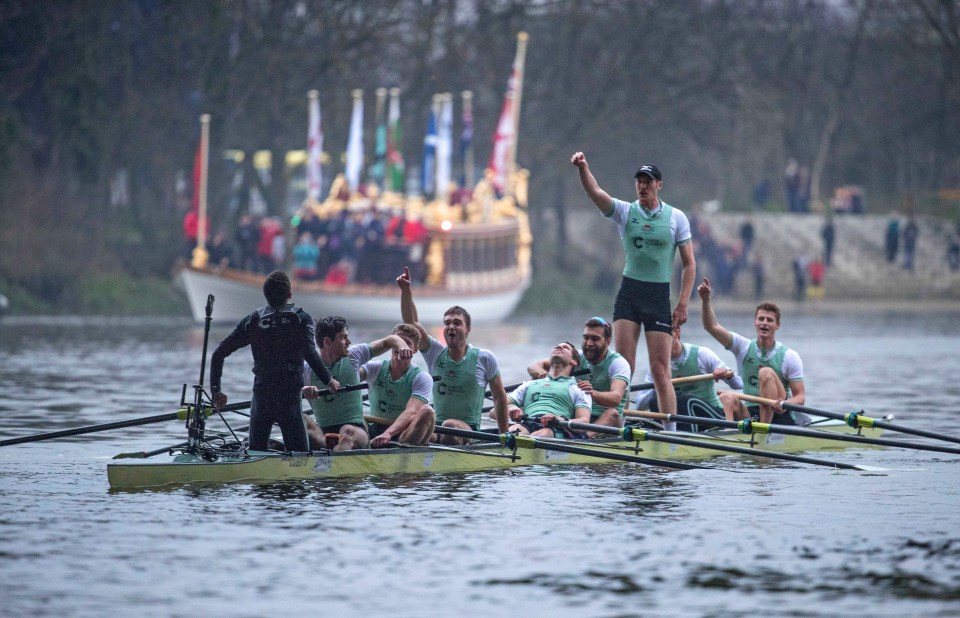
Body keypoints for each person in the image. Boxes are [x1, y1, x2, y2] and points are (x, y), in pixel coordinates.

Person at [570, 152, 695, 433]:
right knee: (624, 366)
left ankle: (671, 433)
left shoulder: (676, 218)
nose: (642, 186)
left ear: (659, 185)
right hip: (629, 294)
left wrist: (683, 304)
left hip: (659, 297)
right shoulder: (627, 212)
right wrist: (583, 167)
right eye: (639, 182)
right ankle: (619, 426)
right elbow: (595, 193)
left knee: (660, 369)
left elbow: (689, 264)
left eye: (648, 182)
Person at [210, 270, 340, 452]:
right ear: (289, 295)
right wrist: (329, 380)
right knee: (299, 455)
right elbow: (309, 352)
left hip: (262, 393)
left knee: (256, 453)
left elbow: (218, 354)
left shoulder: (252, 320)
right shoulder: (301, 318)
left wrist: (216, 390)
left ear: (265, 295)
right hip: (289, 395)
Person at [397, 266, 510, 445]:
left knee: (450, 425)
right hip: (439, 428)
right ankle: (403, 463)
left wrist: (505, 435)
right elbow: (412, 323)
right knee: (419, 420)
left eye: (457, 323)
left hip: (468, 430)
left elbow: (499, 397)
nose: (451, 327)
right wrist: (406, 291)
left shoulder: (484, 358)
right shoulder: (435, 353)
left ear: (468, 329)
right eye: (447, 323)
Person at [697, 276, 805, 425]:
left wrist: (783, 403)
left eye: (769, 320)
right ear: (755, 323)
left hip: (779, 414)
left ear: (777, 325)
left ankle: (762, 432)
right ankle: (729, 435)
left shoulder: (789, 356)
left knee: (765, 372)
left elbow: (800, 398)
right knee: (726, 397)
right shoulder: (743, 347)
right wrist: (705, 300)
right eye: (761, 319)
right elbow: (711, 327)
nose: (764, 323)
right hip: (750, 412)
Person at [301, 316, 413, 451]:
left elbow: (389, 341)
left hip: (356, 430)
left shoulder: (354, 355)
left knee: (346, 430)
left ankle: (333, 463)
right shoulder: (307, 369)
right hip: (323, 434)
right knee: (303, 418)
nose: (349, 341)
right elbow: (287, 393)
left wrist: (402, 346)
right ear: (327, 342)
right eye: (343, 337)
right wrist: (303, 390)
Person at [525, 316, 630, 434]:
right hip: (578, 415)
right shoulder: (576, 358)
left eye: (595, 339)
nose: (589, 344)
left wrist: (592, 393)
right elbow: (533, 366)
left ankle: (584, 438)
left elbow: (616, 399)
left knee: (612, 413)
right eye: (586, 338)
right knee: (534, 380)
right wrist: (543, 377)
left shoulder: (618, 363)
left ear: (608, 341)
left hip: (605, 421)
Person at [633, 326, 742, 432]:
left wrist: (725, 374)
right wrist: (660, 384)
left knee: (686, 400)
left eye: (665, 337)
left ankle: (683, 442)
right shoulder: (657, 367)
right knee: (655, 402)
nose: (661, 343)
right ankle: (667, 439)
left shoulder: (702, 354)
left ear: (677, 333)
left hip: (714, 416)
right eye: (657, 340)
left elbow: (738, 384)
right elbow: (639, 405)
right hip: (682, 419)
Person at [364, 323, 436, 448]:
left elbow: (412, 411)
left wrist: (388, 433)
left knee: (428, 411)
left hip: (404, 434)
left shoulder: (421, 377)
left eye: (407, 343)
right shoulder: (374, 368)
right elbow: (350, 373)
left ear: (415, 350)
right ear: (391, 343)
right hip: (374, 429)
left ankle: (403, 453)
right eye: (398, 341)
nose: (401, 347)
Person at [507, 342, 592, 439]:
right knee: (514, 429)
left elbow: (584, 422)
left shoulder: (580, 388)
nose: (559, 347)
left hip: (556, 427)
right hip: (527, 423)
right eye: (557, 346)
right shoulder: (529, 384)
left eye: (565, 347)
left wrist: (558, 418)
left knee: (543, 434)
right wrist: (511, 408)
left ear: (574, 361)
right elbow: (495, 411)